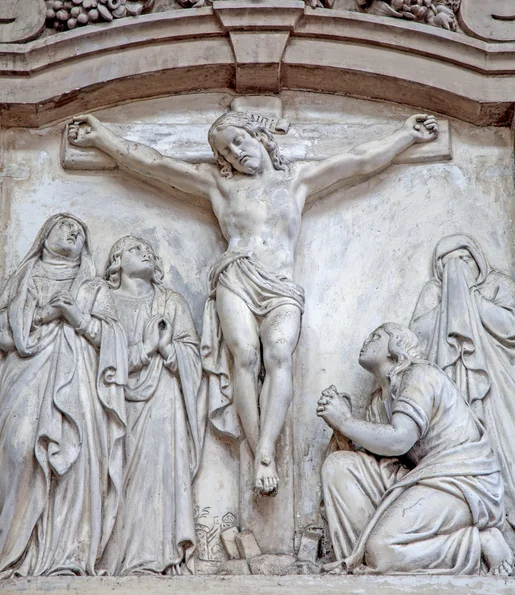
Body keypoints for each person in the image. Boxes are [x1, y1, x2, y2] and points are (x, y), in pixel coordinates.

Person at [68, 110, 438, 496]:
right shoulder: (221, 187)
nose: (235, 154)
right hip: (237, 276)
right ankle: (260, 452)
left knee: (279, 355)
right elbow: (156, 164)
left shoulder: (296, 181)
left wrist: (404, 136)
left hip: (280, 285)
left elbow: (358, 160)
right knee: (244, 356)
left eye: (239, 141)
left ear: (259, 135)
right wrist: (103, 140)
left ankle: (265, 448)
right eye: (226, 152)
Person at [317, 322, 512, 575]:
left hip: (461, 481)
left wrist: (345, 421)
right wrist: (342, 431)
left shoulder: (418, 375)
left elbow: (399, 440)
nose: (367, 340)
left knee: (381, 549)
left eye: (376, 336)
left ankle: (478, 542)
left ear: (394, 346)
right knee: (339, 466)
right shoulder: (379, 402)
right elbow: (384, 456)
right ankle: (359, 555)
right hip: (420, 477)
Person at [0, 214, 127, 577]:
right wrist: (39, 319)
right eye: (65, 227)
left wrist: (76, 317)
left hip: (79, 383)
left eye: (80, 232)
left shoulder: (93, 286)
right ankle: (15, 550)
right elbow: (3, 331)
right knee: (21, 447)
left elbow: (112, 338)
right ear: (44, 237)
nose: (73, 233)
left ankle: (66, 555)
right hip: (26, 375)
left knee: (76, 460)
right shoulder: (22, 279)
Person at [102, 236, 204, 575]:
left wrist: (167, 349)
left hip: (163, 399)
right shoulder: (106, 302)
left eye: (149, 249)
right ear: (116, 262)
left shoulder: (171, 302)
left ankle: (154, 557)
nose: (146, 251)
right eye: (134, 248)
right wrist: (144, 348)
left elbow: (193, 357)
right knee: (116, 471)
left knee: (157, 475)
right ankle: (112, 556)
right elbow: (98, 359)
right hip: (114, 403)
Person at [410, 234, 515, 546]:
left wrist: (469, 300)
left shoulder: (496, 284)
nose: (457, 268)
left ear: (478, 259)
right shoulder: (434, 292)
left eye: (465, 260)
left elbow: (510, 326)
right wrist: (450, 306)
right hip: (451, 383)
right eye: (448, 264)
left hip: (496, 384)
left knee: (504, 442)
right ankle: (471, 523)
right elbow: (417, 335)